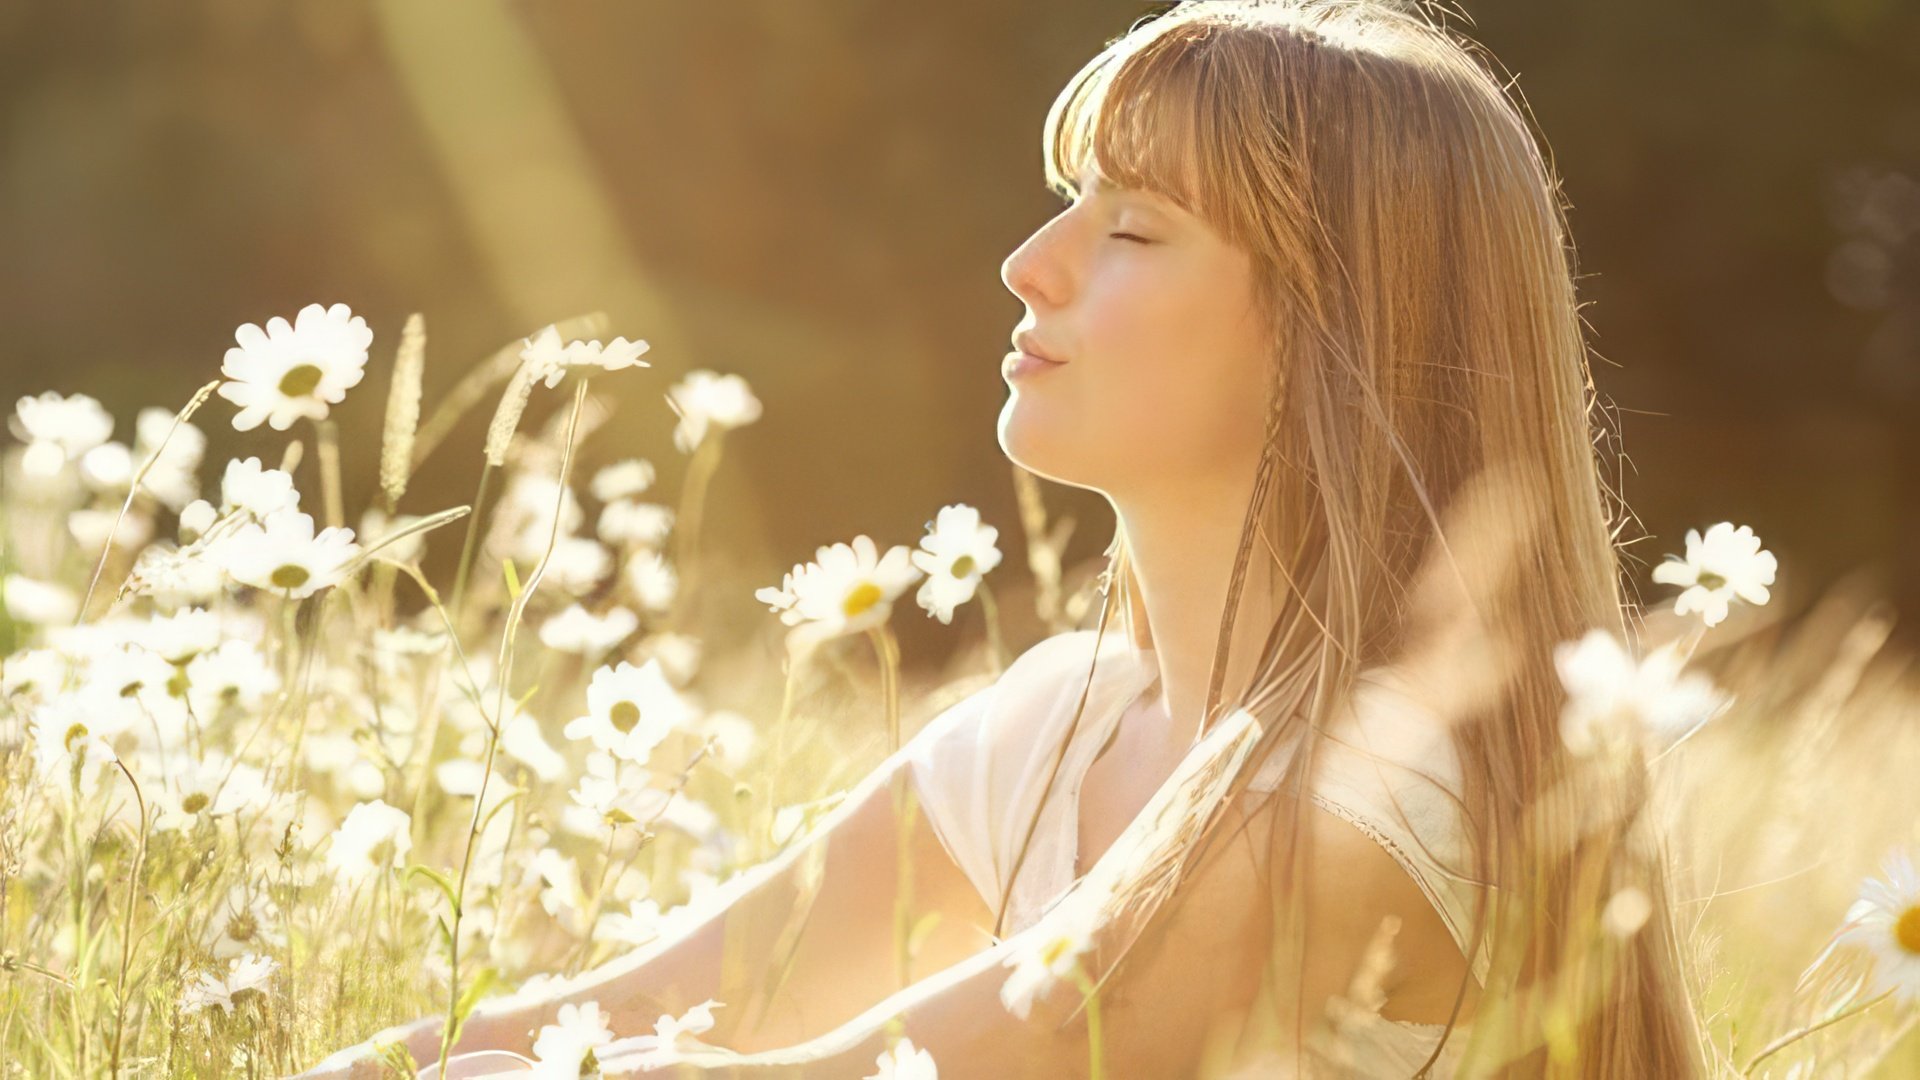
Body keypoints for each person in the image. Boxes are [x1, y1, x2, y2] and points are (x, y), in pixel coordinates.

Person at [300, 1, 1707, 1075]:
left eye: (1138, 231)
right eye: (1070, 203)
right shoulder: (1070, 727)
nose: (1030, 263)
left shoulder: (1345, 819)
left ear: (1334, 338)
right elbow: (635, 1013)